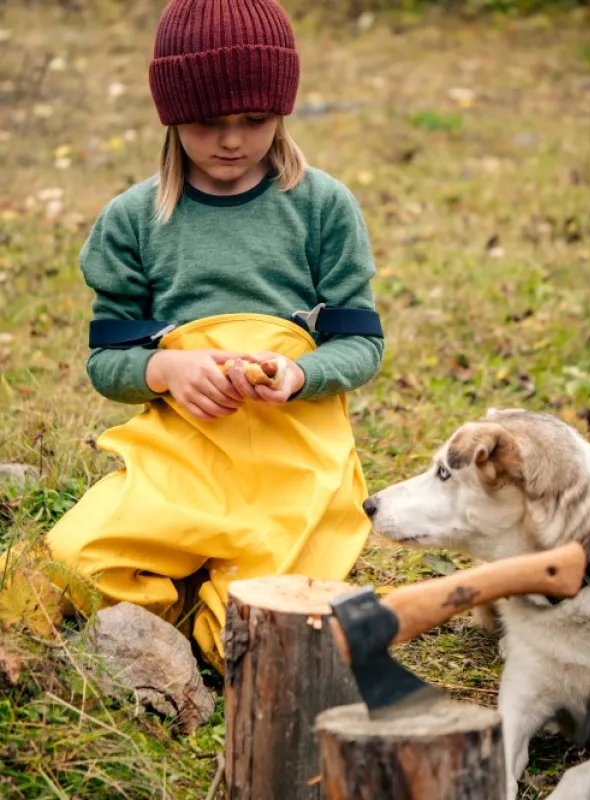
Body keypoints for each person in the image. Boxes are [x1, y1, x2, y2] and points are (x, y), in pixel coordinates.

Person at [42, 0, 384, 674]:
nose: (232, 141)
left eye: (254, 121)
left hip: (294, 453)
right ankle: (176, 579)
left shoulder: (322, 207)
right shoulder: (134, 220)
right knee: (78, 559)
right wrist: (168, 372)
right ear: (172, 114)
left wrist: (299, 375)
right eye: (207, 124)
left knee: (254, 631)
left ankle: (216, 590)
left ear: (282, 109)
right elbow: (107, 360)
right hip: (185, 447)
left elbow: (362, 345)